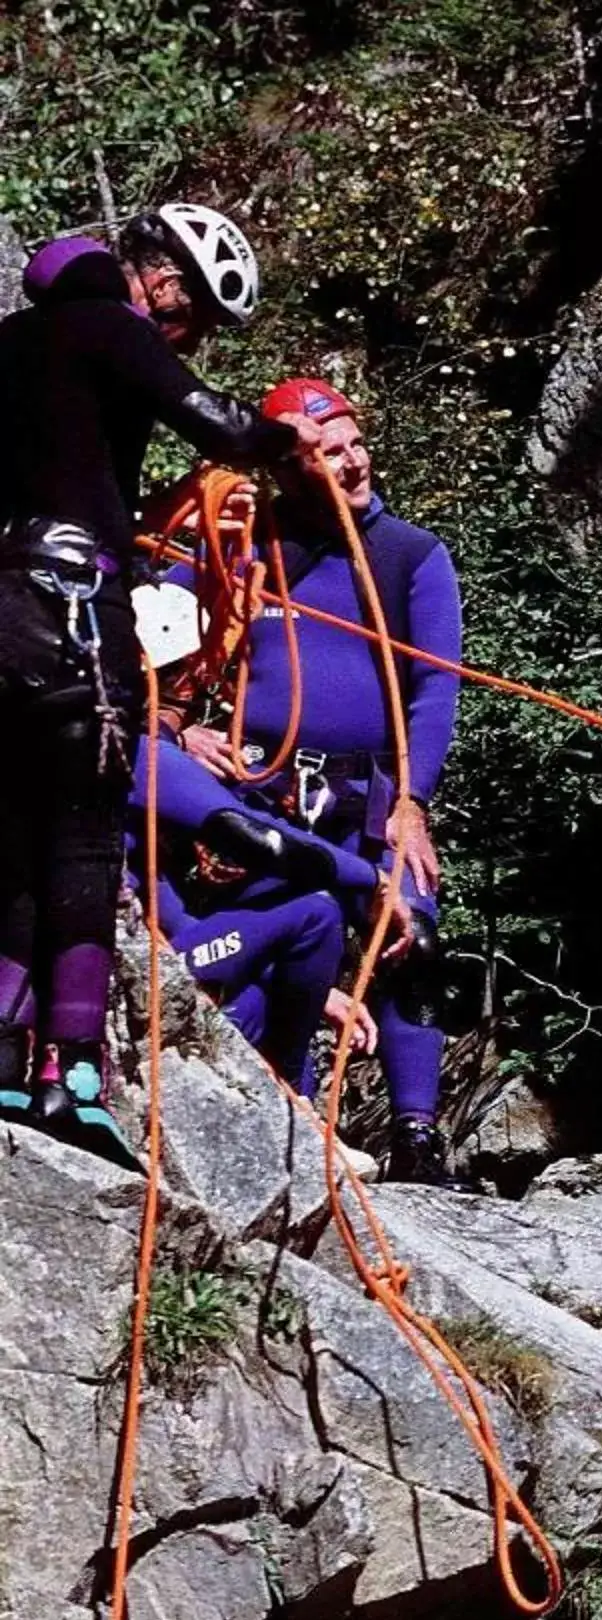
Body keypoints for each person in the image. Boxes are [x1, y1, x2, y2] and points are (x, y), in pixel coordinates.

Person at [0, 207, 318, 1165]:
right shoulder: (114, 327)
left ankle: (7, 1060)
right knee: (84, 835)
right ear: (163, 280)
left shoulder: (11, 339)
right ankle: (77, 1076)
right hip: (70, 611)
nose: (190, 337)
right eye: (198, 319)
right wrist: (281, 439)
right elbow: (212, 421)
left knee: (11, 831)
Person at [159, 375, 463, 1183]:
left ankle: (418, 1137)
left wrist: (412, 804)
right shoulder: (244, 548)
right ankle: (280, 1112)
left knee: (412, 931)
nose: (355, 463)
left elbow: (436, 689)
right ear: (290, 468)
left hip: (371, 794)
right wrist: (182, 731)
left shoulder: (409, 557)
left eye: (357, 444)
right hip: (265, 785)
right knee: (279, 928)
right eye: (331, 453)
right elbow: (154, 646)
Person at [129, 731, 380, 1081]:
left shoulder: (138, 745)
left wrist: (318, 994)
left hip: (151, 953)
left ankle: (292, 1091)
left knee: (264, 1005)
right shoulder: (139, 750)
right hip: (128, 964)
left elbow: (168, 911)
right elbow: (259, 837)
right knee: (316, 915)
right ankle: (290, 1089)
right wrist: (378, 880)